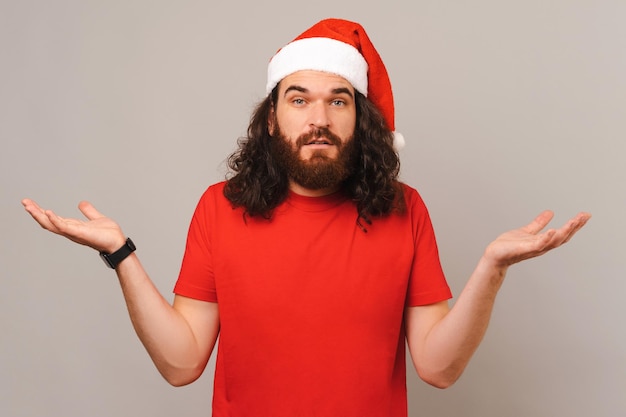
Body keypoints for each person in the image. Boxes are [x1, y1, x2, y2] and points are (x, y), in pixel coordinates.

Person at [22, 18, 590, 417]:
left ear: (358, 118)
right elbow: (181, 362)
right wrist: (121, 253)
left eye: (337, 100)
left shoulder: (404, 209)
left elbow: (438, 368)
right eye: (298, 99)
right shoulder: (219, 207)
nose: (318, 117)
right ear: (271, 119)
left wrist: (492, 267)